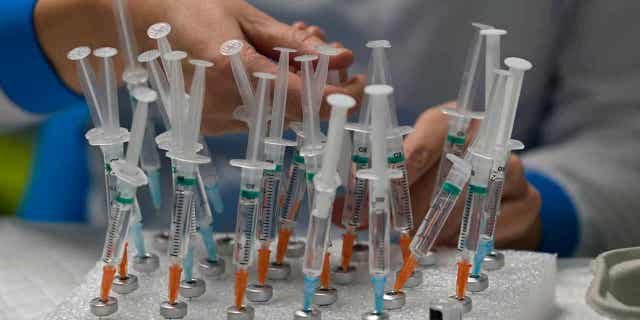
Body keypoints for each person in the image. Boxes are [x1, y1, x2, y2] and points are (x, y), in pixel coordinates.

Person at [1, 0, 638, 257]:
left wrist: (519, 202)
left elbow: (623, 145)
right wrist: (85, 19)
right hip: (122, 242)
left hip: (429, 265)